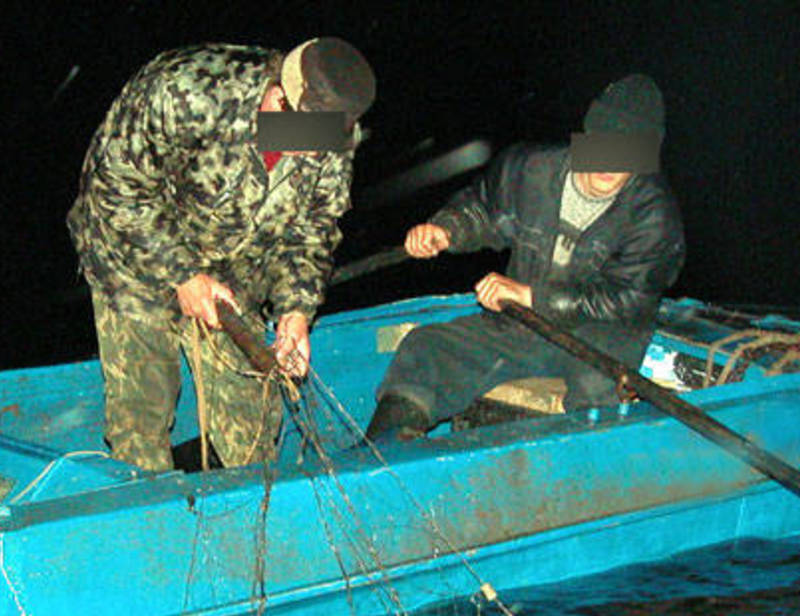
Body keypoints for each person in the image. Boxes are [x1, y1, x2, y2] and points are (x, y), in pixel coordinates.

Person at [67, 39, 376, 471]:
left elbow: (313, 229)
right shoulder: (185, 90)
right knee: (144, 409)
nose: (312, 152)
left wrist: (296, 310)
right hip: (135, 251)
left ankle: (252, 520)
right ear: (277, 97)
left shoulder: (332, 135)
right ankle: (153, 516)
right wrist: (183, 274)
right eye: (304, 135)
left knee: (251, 416)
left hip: (231, 267)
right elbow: (114, 186)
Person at [366, 74, 685, 441]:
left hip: (600, 338)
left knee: (600, 393)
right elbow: (483, 209)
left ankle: (576, 477)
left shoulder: (655, 215)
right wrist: (446, 230)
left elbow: (628, 300)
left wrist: (532, 296)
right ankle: (385, 455)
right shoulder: (530, 168)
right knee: (427, 348)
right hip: (522, 325)